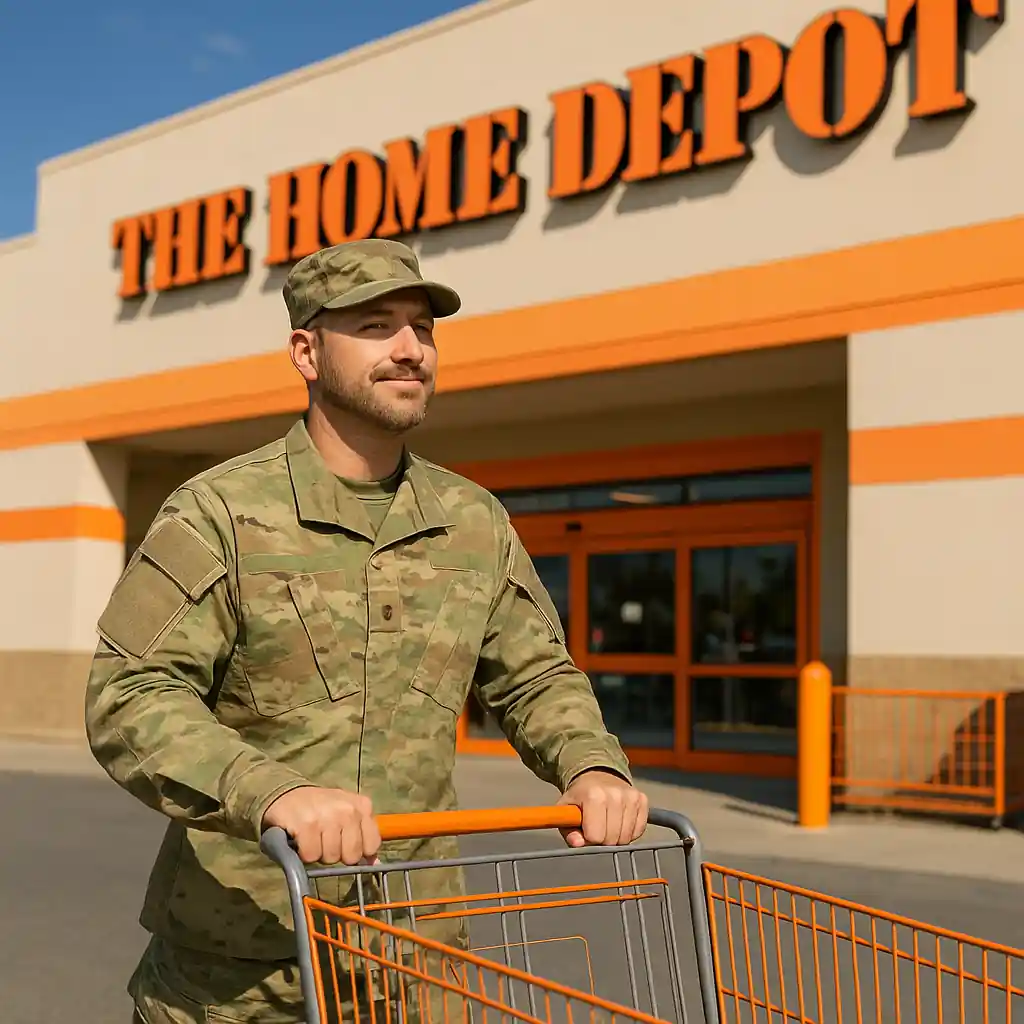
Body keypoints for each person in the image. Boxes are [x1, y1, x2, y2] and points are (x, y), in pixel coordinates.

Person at [85, 238, 649, 1023]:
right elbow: (129, 695)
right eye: (377, 325)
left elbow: (534, 674)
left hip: (415, 961)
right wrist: (273, 791)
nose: (410, 348)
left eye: (422, 327)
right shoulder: (219, 513)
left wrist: (590, 767)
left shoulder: (472, 521)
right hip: (247, 969)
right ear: (306, 351)